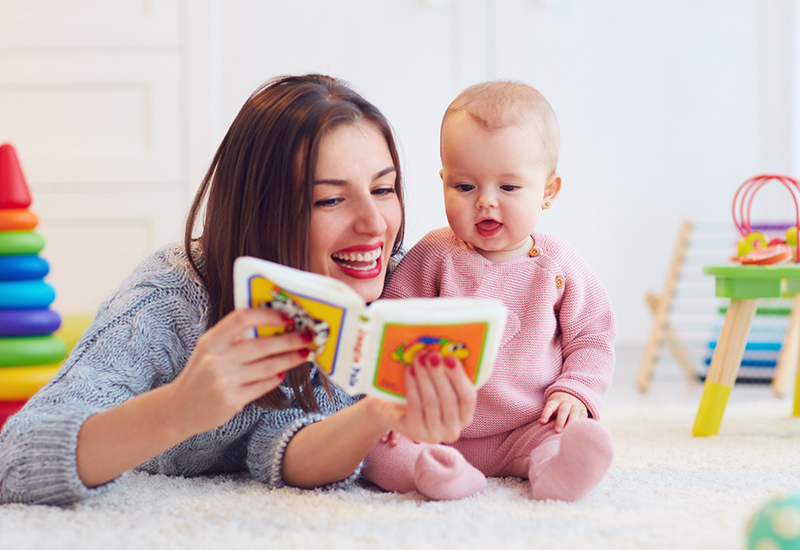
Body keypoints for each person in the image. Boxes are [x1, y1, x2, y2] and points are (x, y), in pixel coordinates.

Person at [0, 74, 477, 505]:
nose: (375, 225)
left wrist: (380, 412)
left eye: (384, 189)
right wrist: (179, 409)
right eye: (329, 199)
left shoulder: (411, 279)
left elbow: (288, 447)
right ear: (261, 212)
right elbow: (15, 461)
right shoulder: (171, 301)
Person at [362, 81, 617, 501]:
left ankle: (555, 470)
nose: (485, 202)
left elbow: (592, 335)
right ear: (444, 181)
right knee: (376, 450)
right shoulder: (433, 255)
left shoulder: (559, 264)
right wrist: (389, 401)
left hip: (527, 424)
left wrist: (576, 390)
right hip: (434, 426)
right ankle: (438, 475)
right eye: (465, 187)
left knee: (562, 432)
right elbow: (390, 330)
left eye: (509, 188)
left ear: (548, 192)